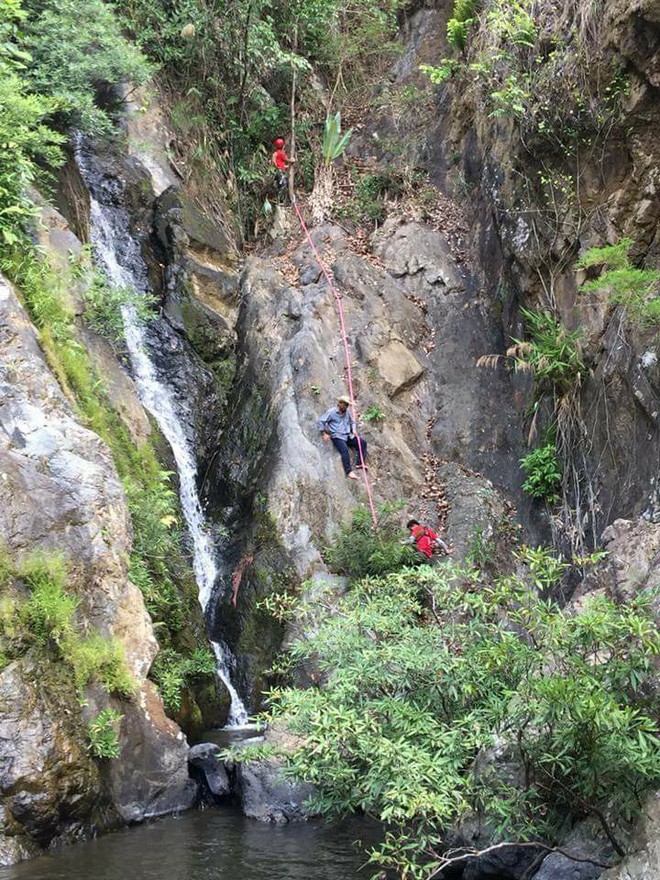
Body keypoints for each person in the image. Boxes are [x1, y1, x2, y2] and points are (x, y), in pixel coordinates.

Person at [317, 395, 368, 481]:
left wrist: (354, 429)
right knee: (344, 450)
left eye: (347, 405)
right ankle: (348, 471)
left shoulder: (347, 413)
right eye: (344, 404)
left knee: (362, 443)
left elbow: (352, 422)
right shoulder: (332, 412)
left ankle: (359, 463)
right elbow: (321, 421)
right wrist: (324, 433)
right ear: (339, 403)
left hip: (347, 435)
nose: (346, 406)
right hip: (337, 436)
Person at [272, 137, 295, 202]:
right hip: (279, 171)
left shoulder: (275, 153)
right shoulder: (280, 153)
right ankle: (279, 200)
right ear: (282, 146)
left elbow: (277, 163)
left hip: (276, 171)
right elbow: (287, 160)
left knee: (279, 185)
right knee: (283, 184)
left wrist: (286, 166)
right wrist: (292, 160)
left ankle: (279, 200)